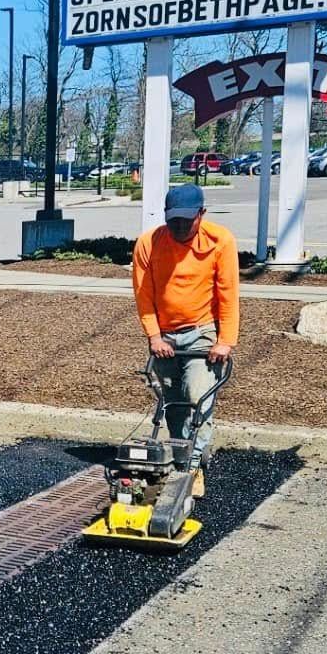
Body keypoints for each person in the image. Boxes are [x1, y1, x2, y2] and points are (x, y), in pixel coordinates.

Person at [131, 182, 239, 490]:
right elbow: (144, 296)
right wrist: (154, 336)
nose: (179, 226)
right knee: (173, 403)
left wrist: (225, 341)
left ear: (202, 214)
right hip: (164, 336)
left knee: (196, 395)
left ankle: (192, 467)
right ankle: (181, 458)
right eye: (173, 219)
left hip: (203, 331)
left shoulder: (220, 241)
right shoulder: (148, 244)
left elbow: (229, 295)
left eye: (187, 220)